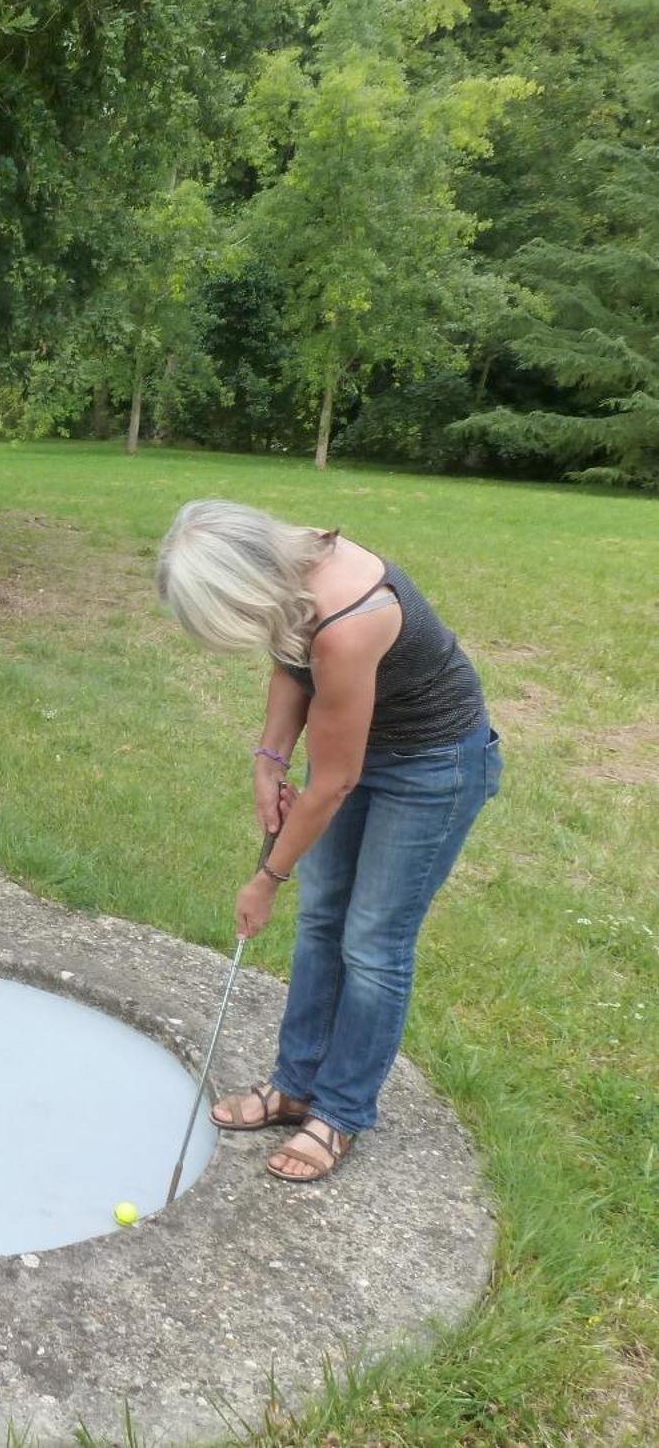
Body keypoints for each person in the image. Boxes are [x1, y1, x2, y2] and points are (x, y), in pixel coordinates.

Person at [156, 499, 502, 1183]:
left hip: (432, 770)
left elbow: (336, 779)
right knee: (321, 921)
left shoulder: (349, 618)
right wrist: (269, 757)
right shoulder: (290, 577)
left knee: (372, 943)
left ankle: (340, 1112)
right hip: (361, 749)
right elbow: (292, 663)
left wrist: (266, 878)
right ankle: (296, 1086)